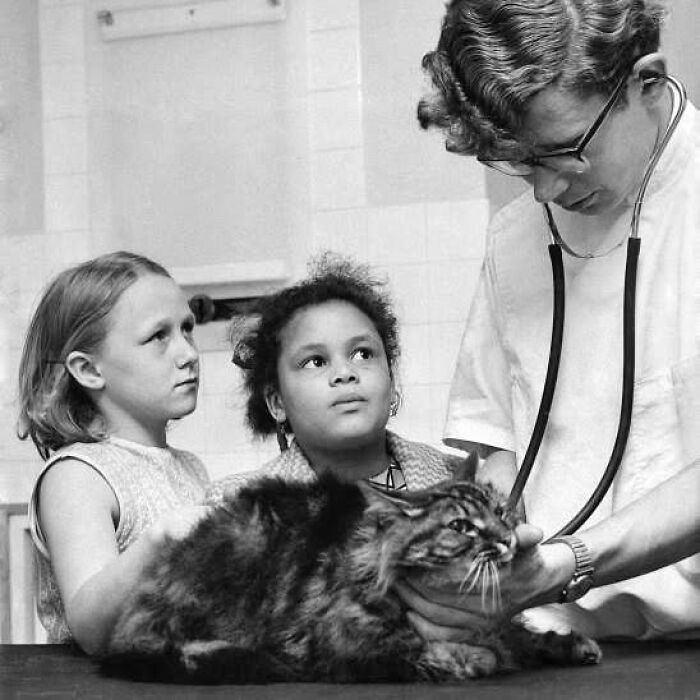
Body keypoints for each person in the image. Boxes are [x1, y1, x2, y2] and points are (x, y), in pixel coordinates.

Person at [403, 0, 700, 640]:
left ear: (645, 80)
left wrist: (571, 562)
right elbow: (495, 450)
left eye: (564, 152)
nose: (544, 190)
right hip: (550, 639)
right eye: (518, 160)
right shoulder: (515, 237)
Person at [17, 251, 210, 653]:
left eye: (187, 329)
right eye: (159, 336)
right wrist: (162, 540)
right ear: (89, 370)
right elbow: (90, 627)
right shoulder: (78, 476)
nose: (189, 353)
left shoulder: (190, 468)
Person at [207, 255, 470, 509]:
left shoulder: (461, 481)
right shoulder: (238, 505)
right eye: (316, 361)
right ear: (277, 402)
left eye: (363, 354)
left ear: (391, 382)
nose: (345, 373)